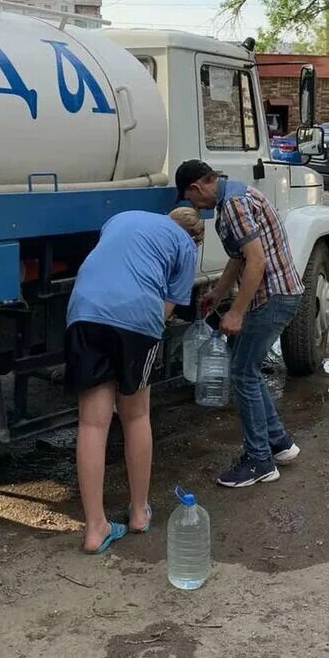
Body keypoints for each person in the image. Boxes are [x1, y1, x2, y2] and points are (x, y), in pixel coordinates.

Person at [64, 208, 202, 554]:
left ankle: (95, 528)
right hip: (136, 317)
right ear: (195, 235)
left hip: (84, 310)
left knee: (92, 424)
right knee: (136, 415)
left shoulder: (122, 218)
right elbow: (166, 309)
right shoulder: (186, 245)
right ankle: (139, 512)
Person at [175, 160, 306, 489]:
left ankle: (259, 461)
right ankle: (279, 443)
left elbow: (257, 260)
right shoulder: (237, 194)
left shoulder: (233, 205)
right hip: (282, 293)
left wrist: (236, 312)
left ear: (197, 187)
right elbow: (240, 256)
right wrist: (219, 294)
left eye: (191, 199)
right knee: (247, 368)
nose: (194, 206)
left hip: (272, 297)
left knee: (243, 373)